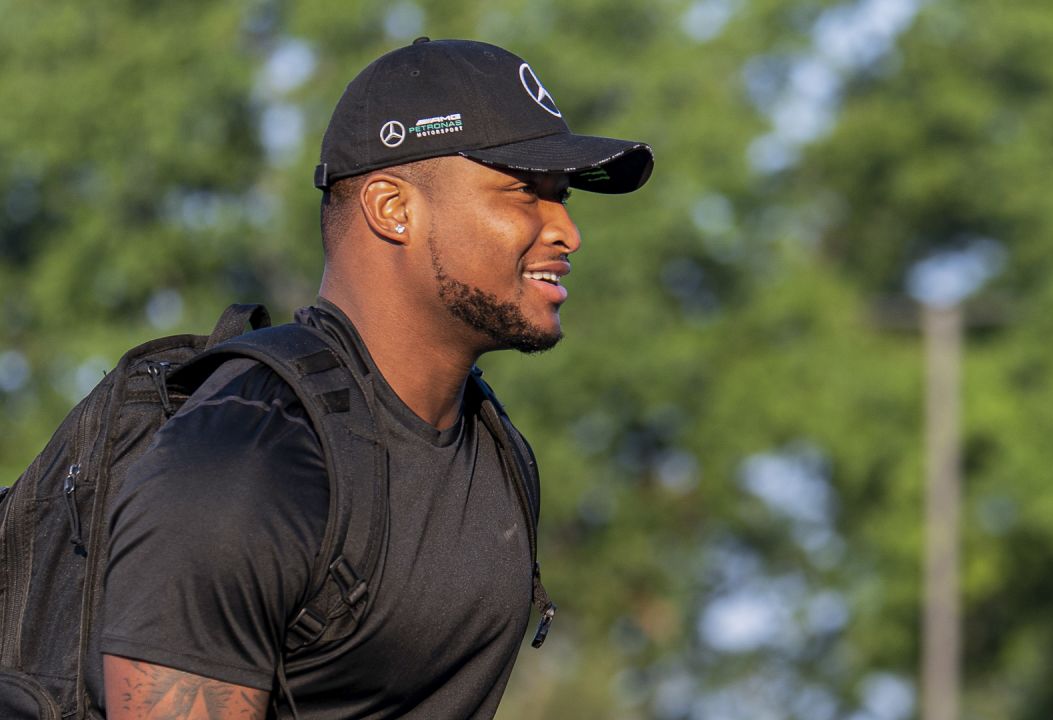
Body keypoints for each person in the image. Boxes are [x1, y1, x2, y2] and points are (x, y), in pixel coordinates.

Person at [95, 37, 653, 719]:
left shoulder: (494, 453)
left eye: (561, 197)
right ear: (393, 209)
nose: (566, 230)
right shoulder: (246, 460)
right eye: (524, 194)